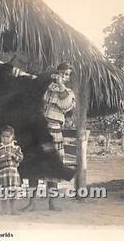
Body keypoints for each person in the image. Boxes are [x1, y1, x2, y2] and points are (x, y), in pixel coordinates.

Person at [43, 62, 76, 210]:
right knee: (36, 163)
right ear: (57, 73)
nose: (65, 76)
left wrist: (61, 85)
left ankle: (52, 203)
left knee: (54, 166)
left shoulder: (68, 93)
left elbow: (65, 106)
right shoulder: (48, 89)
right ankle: (31, 201)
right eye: (62, 73)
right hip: (41, 129)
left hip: (55, 130)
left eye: (67, 74)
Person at [0, 125, 24, 215]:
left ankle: (13, 209)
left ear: (12, 137)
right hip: (3, 172)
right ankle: (4, 209)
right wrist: (3, 157)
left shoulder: (16, 148)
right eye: (3, 136)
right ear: (0, 137)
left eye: (8, 137)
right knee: (3, 191)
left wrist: (13, 155)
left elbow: (20, 158)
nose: (5, 139)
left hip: (13, 172)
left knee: (13, 191)